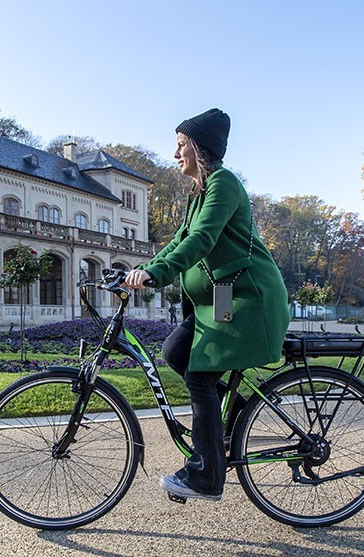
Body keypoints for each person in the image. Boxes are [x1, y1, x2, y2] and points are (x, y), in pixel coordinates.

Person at [125, 108, 290, 501]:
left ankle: (206, 475)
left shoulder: (224, 184)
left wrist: (157, 275)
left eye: (181, 144)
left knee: (199, 377)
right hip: (221, 296)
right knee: (175, 351)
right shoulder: (199, 193)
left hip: (245, 297)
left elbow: (201, 240)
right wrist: (140, 270)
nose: (176, 153)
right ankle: (235, 419)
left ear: (199, 147)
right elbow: (179, 240)